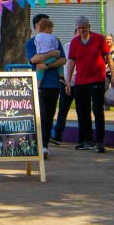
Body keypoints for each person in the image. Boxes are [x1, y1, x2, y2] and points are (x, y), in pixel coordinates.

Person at [66, 16, 114, 153]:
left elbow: (108, 57)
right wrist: (69, 81)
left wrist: (113, 76)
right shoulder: (74, 42)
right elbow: (71, 62)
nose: (81, 30)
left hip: (97, 79)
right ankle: (85, 140)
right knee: (82, 112)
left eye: (84, 28)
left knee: (98, 110)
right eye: (79, 28)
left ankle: (99, 142)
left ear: (89, 27)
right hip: (81, 81)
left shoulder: (99, 39)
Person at [25, 14, 66, 159]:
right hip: (39, 85)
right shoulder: (32, 42)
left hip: (54, 84)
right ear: (36, 26)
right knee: (40, 115)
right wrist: (51, 54)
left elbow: (62, 59)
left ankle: (45, 145)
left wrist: (47, 64)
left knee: (49, 116)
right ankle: (38, 144)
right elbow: (34, 59)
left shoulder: (55, 40)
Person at [52, 41, 74, 145]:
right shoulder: (67, 46)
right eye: (78, 31)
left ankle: (85, 138)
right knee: (62, 110)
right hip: (65, 82)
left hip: (79, 82)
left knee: (83, 111)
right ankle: (58, 136)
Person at [33, 17, 60, 83]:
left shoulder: (37, 36)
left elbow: (35, 43)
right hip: (52, 58)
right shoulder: (53, 37)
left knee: (39, 71)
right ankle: (61, 76)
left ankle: (38, 85)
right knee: (60, 64)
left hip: (41, 58)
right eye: (51, 28)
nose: (52, 30)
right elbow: (56, 46)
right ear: (48, 28)